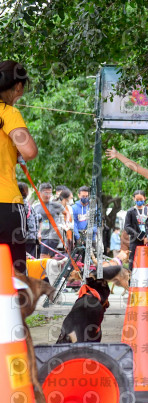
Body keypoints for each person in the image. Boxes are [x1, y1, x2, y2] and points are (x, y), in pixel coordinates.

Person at [0, 60, 37, 273]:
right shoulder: (8, 113)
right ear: (18, 87)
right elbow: (29, 151)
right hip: (6, 204)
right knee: (15, 276)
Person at [33, 183, 65, 259]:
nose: (48, 196)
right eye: (46, 193)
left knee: (43, 258)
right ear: (39, 193)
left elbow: (67, 213)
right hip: (41, 237)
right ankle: (54, 270)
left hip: (52, 236)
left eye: (50, 193)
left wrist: (65, 224)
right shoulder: (36, 207)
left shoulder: (55, 205)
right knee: (48, 259)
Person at [124, 190, 148, 266]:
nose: (139, 201)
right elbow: (127, 226)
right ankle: (132, 276)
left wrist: (147, 237)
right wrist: (139, 236)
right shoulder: (131, 211)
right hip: (135, 240)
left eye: (141, 200)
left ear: (145, 198)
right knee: (133, 260)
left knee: (146, 260)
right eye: (137, 200)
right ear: (133, 199)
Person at [18, 182, 39, 258]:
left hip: (23, 237)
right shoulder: (28, 204)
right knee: (31, 259)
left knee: (24, 259)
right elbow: (37, 218)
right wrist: (36, 235)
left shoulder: (18, 204)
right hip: (32, 237)